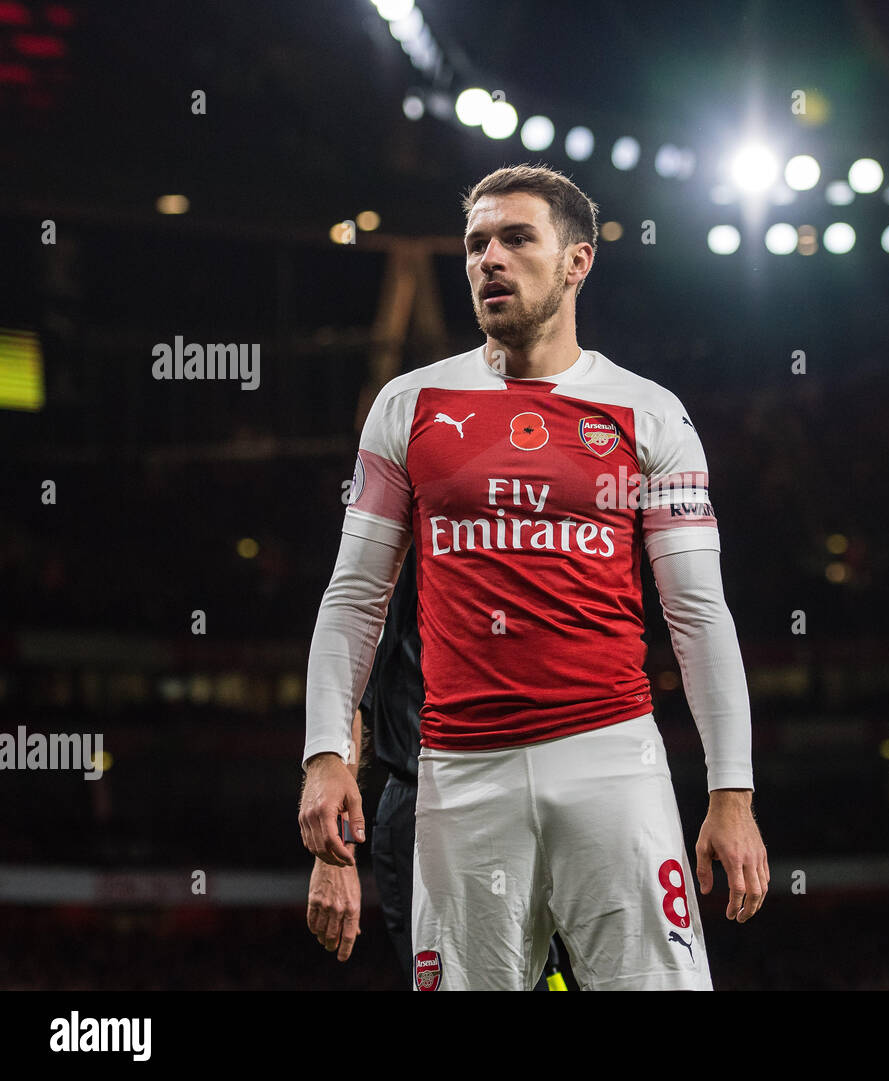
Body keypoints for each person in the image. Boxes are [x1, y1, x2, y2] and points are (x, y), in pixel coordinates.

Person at [299, 163, 767, 991]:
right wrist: (325, 752)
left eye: (516, 239)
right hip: (458, 772)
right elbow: (354, 597)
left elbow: (697, 614)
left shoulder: (648, 412)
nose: (490, 260)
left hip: (612, 761)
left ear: (577, 261)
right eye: (477, 243)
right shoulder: (409, 406)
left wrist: (732, 791)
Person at [305, 549, 569, 988]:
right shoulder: (405, 541)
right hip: (428, 806)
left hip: (528, 803)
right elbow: (347, 695)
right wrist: (336, 854)